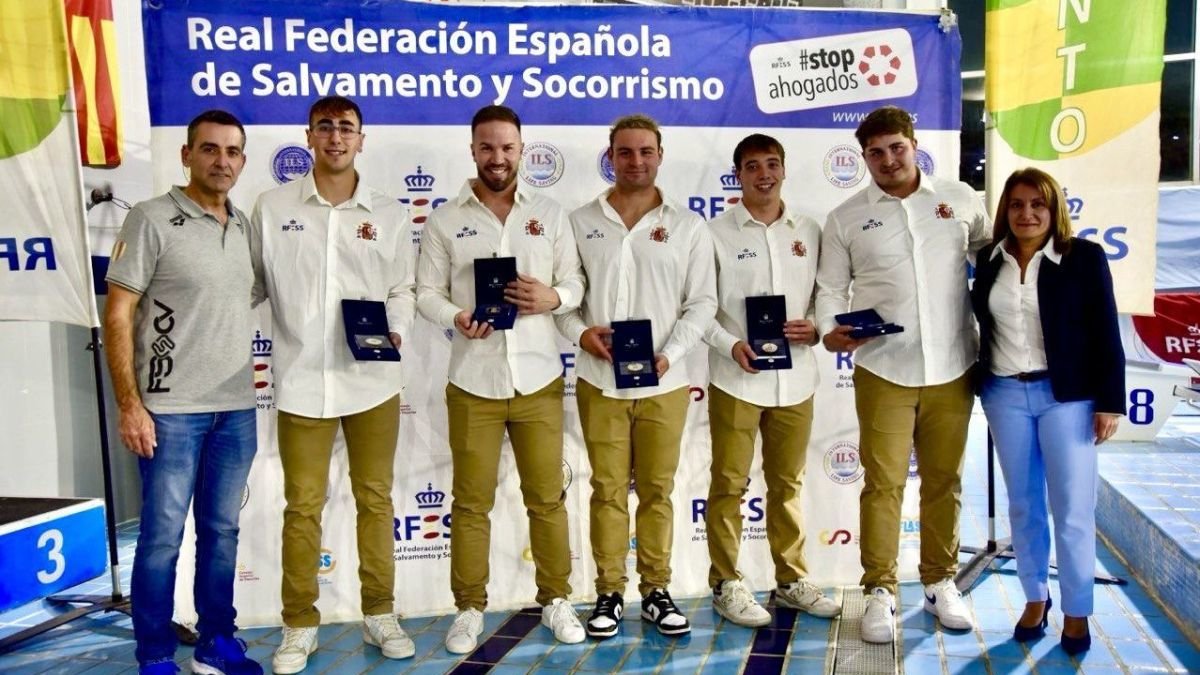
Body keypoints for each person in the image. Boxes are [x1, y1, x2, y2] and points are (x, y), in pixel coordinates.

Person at [249, 96, 416, 673]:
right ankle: (298, 623)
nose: (336, 138)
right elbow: (249, 287)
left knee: (375, 501)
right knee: (303, 508)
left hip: (372, 381)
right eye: (326, 128)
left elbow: (402, 289)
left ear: (361, 139)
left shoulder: (390, 214)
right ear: (310, 136)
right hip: (299, 383)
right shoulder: (271, 207)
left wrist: (395, 330)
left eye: (347, 128)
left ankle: (381, 613)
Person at [815, 105, 991, 643]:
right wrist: (830, 330)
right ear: (863, 157)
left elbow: (993, 258)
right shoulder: (845, 217)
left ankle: (940, 582)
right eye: (876, 152)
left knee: (944, 481)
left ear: (914, 145)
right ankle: (880, 592)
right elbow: (829, 291)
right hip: (883, 369)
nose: (888, 160)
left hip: (953, 367)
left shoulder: (959, 200)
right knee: (884, 485)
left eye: (897, 148)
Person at [415, 105, 586, 654]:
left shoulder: (551, 213)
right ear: (472, 150)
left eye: (507, 147)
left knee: (547, 499)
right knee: (470, 503)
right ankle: (468, 607)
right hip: (473, 379)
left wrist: (555, 298)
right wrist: (454, 318)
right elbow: (425, 293)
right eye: (487, 147)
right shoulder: (444, 219)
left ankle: (556, 597)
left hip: (536, 378)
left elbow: (575, 282)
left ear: (522, 149)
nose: (498, 157)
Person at [104, 109, 261, 674]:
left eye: (233, 152)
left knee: (221, 532)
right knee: (162, 538)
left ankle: (217, 641)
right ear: (187, 155)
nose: (222, 161)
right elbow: (118, 314)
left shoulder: (243, 225)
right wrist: (130, 404)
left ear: (243, 160)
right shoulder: (150, 219)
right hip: (168, 412)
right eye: (211, 149)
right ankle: (155, 654)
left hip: (237, 408)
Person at [556, 113, 717, 639]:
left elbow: (702, 304)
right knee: (605, 488)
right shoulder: (579, 221)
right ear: (610, 156)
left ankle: (655, 589)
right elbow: (565, 298)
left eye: (645, 151)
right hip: (600, 380)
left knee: (657, 490)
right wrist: (583, 336)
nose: (636, 161)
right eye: (625, 152)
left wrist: (669, 354)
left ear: (660, 154)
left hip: (665, 384)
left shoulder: (689, 226)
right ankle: (608, 591)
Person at [971, 168, 1125, 655]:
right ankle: (1035, 597)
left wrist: (1109, 402)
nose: (1027, 214)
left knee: (1073, 509)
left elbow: (1106, 331)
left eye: (1037, 204)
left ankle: (1077, 608)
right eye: (1016, 204)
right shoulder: (988, 260)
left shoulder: (1083, 258)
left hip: (1069, 398)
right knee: (1023, 505)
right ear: (1005, 211)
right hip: (1005, 395)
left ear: (1054, 208)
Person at [702, 134, 840, 627]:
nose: (765, 174)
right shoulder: (713, 233)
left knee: (786, 485)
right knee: (729, 486)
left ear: (784, 169)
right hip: (736, 379)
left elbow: (827, 293)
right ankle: (726, 582)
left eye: (773, 164)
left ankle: (791, 578)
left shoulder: (809, 229)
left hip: (796, 380)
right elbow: (700, 309)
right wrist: (729, 345)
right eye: (754, 166)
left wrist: (819, 326)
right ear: (738, 174)